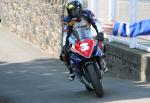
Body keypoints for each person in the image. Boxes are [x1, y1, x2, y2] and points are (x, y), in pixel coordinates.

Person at [60, 0, 106, 81]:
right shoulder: (67, 20)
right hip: (74, 39)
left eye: (75, 10)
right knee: (64, 54)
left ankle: (102, 62)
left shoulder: (87, 13)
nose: (73, 13)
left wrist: (100, 33)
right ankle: (71, 71)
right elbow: (65, 34)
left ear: (80, 9)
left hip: (87, 36)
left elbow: (96, 23)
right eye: (71, 11)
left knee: (101, 43)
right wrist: (64, 45)